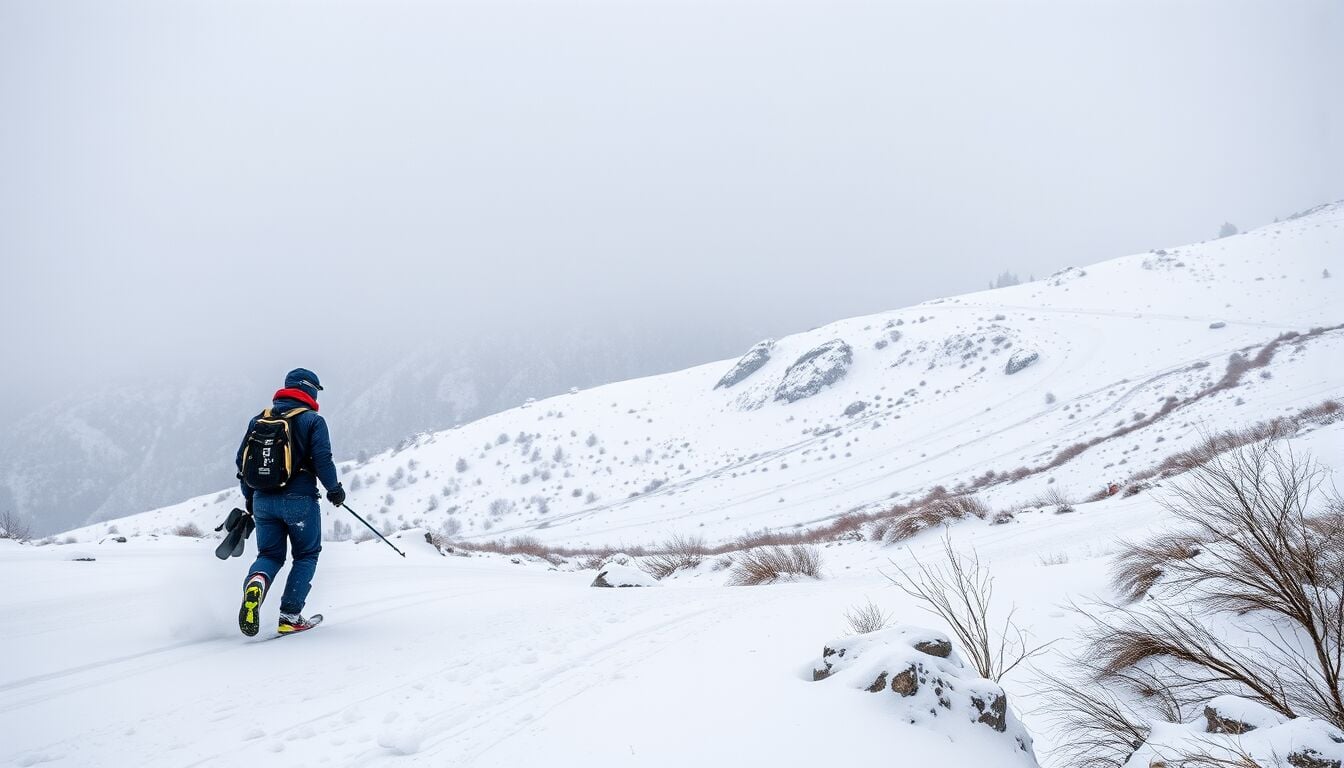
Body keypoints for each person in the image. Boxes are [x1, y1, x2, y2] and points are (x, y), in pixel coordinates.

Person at [235, 368, 345, 636]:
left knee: (269, 555)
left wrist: (250, 499)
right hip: (299, 501)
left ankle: (257, 582)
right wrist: (334, 489)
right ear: (308, 388)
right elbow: (323, 459)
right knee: (306, 554)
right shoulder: (312, 421)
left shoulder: (259, 420)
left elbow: (242, 462)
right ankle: (290, 616)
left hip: (262, 500)